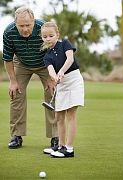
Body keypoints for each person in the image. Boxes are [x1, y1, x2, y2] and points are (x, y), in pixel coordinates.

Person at [2, 6, 58, 149]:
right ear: (15, 23)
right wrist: (13, 81)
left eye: (28, 25)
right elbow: (7, 59)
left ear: (34, 21)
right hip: (21, 63)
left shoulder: (42, 27)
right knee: (16, 94)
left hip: (45, 63)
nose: (25, 29)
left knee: (52, 93)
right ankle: (16, 136)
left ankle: (56, 136)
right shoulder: (9, 32)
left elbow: (53, 51)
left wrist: (51, 77)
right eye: (21, 26)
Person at [41, 22, 84, 158]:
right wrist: (55, 77)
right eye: (45, 36)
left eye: (51, 35)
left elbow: (70, 59)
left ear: (57, 35)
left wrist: (61, 71)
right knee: (59, 116)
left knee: (71, 115)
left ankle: (69, 149)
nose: (48, 38)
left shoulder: (65, 43)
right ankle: (61, 146)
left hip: (73, 81)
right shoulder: (46, 56)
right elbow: (51, 71)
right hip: (62, 84)